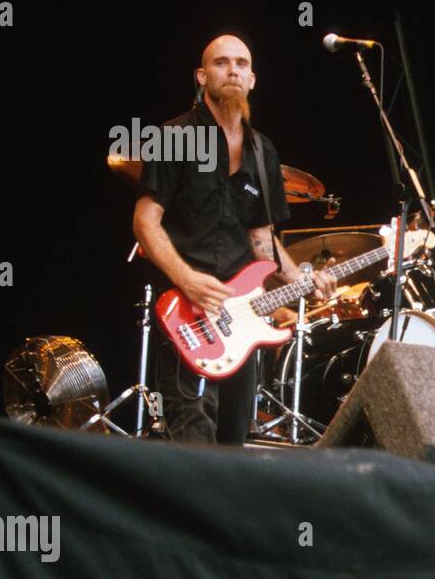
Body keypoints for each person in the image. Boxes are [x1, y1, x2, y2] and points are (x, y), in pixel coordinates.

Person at [132, 34, 337, 444]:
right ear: (202, 75)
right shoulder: (175, 136)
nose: (233, 71)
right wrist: (187, 279)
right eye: (222, 63)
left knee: (233, 442)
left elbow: (262, 241)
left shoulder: (264, 151)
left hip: (241, 317)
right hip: (186, 310)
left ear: (253, 79)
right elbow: (144, 223)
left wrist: (303, 279)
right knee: (193, 442)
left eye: (241, 64)